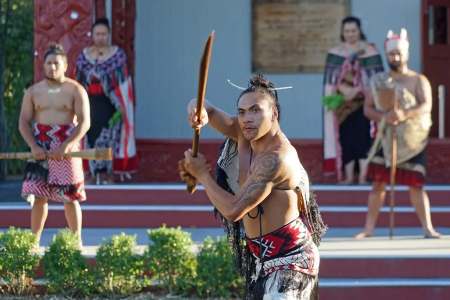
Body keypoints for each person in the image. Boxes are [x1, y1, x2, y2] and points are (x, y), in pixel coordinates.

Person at [180, 75, 326, 299]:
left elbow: (234, 210)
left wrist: (202, 175)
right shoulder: (243, 133)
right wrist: (197, 111)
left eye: (256, 110)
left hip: (291, 260)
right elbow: (203, 104)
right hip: (263, 260)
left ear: (274, 113)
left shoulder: (276, 159)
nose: (247, 118)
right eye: (242, 112)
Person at [355, 28, 441, 239]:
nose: (395, 57)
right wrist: (385, 117)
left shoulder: (418, 80)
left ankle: (428, 228)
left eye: (398, 53)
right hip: (385, 137)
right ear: (387, 55)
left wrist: (403, 114)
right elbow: (368, 109)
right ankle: (368, 229)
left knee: (416, 185)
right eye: (391, 54)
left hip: (412, 140)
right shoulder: (379, 80)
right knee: (378, 185)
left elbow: (426, 106)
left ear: (406, 54)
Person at [19, 44, 90, 247]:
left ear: (65, 66)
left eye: (56, 63)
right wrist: (33, 146)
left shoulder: (76, 90)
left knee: (70, 196)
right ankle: (34, 242)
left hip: (67, 145)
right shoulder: (33, 91)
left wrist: (68, 145)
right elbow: (23, 122)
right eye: (48, 63)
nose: (52, 67)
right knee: (39, 196)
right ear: (43, 66)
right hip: (40, 145)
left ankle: (76, 241)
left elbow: (85, 122)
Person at [323, 16, 384, 184]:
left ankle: (364, 176)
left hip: (365, 104)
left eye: (353, 31)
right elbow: (330, 82)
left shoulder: (371, 51)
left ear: (359, 31)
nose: (350, 34)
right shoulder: (335, 53)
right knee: (346, 139)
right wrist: (342, 90)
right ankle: (349, 177)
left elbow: (378, 80)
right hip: (342, 106)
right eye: (347, 31)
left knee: (364, 139)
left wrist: (358, 90)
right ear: (342, 33)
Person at [75, 17, 137, 184]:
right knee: (89, 136)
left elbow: (124, 84)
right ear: (92, 35)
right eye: (97, 33)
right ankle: (91, 173)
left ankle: (108, 173)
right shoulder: (84, 57)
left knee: (109, 138)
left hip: (111, 105)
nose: (100, 37)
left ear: (108, 35)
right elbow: (78, 82)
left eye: (104, 34)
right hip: (90, 104)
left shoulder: (118, 56)